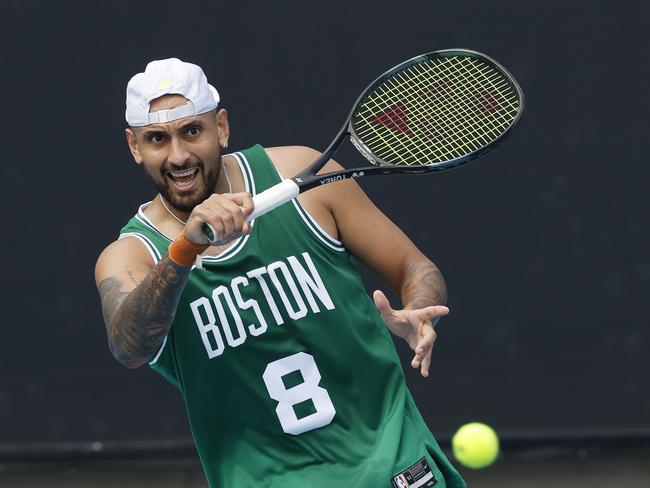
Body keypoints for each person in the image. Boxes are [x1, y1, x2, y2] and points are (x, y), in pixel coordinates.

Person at [95, 58, 466, 488]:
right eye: (157, 139)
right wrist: (186, 248)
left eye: (192, 131)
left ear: (222, 126)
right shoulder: (130, 257)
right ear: (134, 145)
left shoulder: (304, 177)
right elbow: (129, 347)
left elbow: (415, 267)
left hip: (391, 466)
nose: (178, 155)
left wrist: (419, 310)